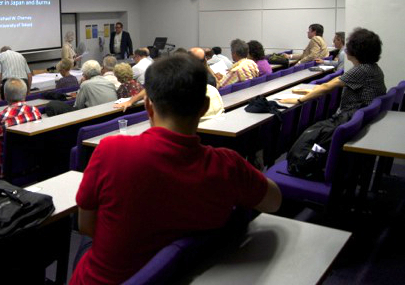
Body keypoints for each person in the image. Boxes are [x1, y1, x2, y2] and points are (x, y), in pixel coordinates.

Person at [70, 54, 281, 285]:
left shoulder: (110, 151)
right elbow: (274, 201)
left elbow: (86, 226)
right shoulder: (228, 166)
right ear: (204, 107)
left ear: (148, 105)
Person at [280, 28, 386, 176]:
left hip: (350, 120)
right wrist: (308, 91)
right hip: (359, 120)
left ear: (357, 50)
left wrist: (299, 99)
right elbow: (330, 85)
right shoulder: (373, 68)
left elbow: (329, 86)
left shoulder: (362, 70)